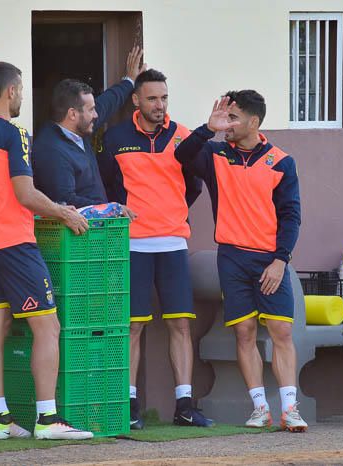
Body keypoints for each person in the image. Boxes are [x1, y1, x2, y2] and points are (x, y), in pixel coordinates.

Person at [0, 61, 92, 440]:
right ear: (11, 91)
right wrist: (62, 211)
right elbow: (25, 194)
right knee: (48, 325)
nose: (22, 96)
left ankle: (1, 420)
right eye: (21, 89)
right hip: (13, 242)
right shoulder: (14, 132)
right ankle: (48, 421)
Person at [175, 91, 307, 432]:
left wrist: (280, 261)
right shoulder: (215, 153)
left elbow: (291, 216)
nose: (228, 124)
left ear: (254, 121)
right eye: (226, 118)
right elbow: (182, 154)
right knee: (244, 332)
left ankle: (290, 409)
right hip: (231, 257)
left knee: (281, 330)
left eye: (234, 118)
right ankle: (260, 408)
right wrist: (208, 128)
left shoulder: (281, 161)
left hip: (269, 260)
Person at [98, 69, 208, 428]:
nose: (159, 105)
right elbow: (107, 188)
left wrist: (171, 209)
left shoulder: (183, 136)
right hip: (132, 244)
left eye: (164, 98)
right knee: (132, 326)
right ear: (136, 100)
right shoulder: (114, 138)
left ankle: (185, 405)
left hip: (174, 242)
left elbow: (194, 186)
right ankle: (129, 406)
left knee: (180, 324)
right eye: (152, 99)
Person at [32, 46, 145, 213]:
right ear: (72, 114)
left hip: (95, 231)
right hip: (76, 237)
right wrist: (110, 209)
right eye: (91, 109)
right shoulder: (51, 150)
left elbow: (106, 103)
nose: (96, 114)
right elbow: (65, 200)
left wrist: (129, 81)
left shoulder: (78, 128)